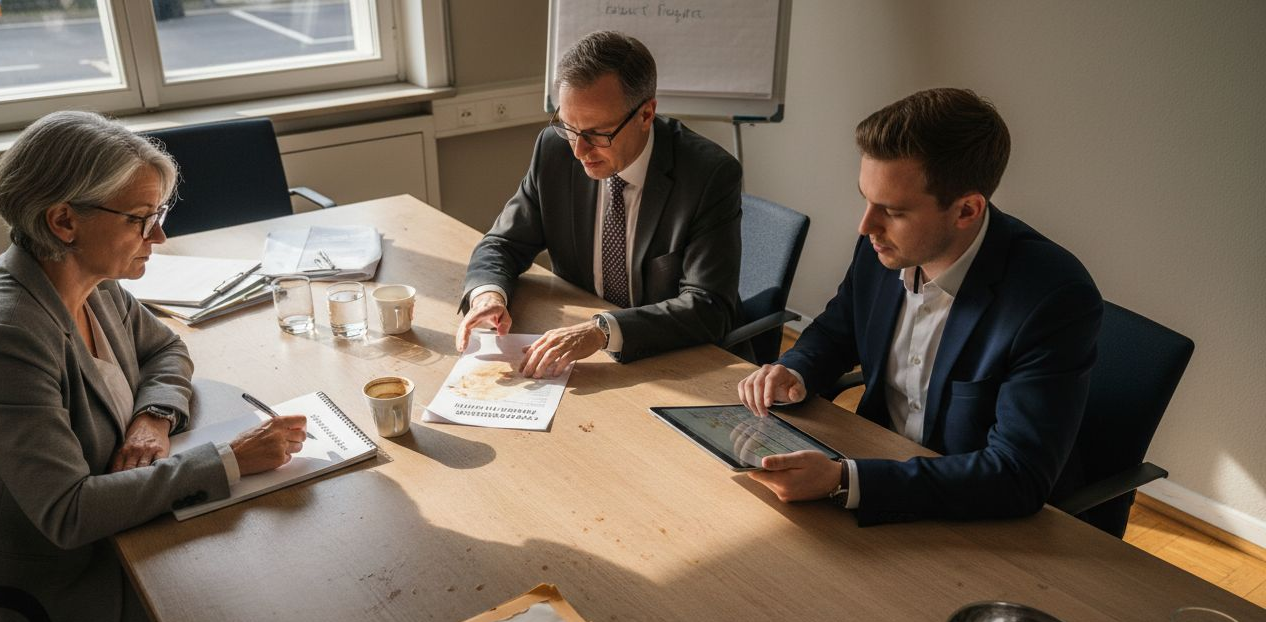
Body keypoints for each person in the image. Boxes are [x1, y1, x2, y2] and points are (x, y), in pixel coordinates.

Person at [0, 111, 307, 622]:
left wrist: (153, 416)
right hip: (39, 595)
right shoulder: (3, 337)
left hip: (108, 536)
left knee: (270, 559)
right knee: (266, 598)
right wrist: (229, 459)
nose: (159, 236)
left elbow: (167, 351)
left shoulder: (89, 283)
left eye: (159, 214)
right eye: (140, 218)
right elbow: (69, 512)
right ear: (63, 222)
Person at [738, 88, 1102, 525]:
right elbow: (839, 329)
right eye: (865, 198)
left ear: (966, 210)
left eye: (892, 210)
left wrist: (844, 481)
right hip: (875, 463)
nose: (865, 225)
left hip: (979, 519)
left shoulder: (1054, 297)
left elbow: (1016, 474)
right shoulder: (882, 245)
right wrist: (793, 370)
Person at [456, 30, 742, 375]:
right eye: (568, 127)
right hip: (583, 354)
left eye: (596, 133)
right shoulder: (555, 151)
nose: (578, 151)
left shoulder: (709, 175)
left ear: (646, 114)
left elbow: (708, 307)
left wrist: (602, 330)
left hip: (674, 360)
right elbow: (503, 242)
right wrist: (489, 295)